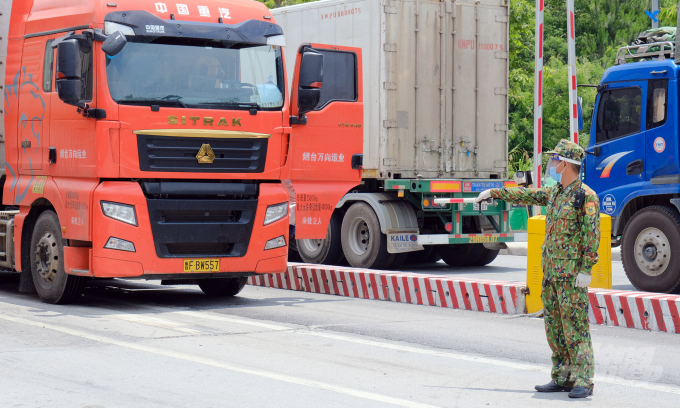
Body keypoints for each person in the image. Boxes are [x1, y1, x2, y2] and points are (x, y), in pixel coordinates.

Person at [476, 139, 599, 399]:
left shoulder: (586, 197)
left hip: (571, 278)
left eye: (555, 159)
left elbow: (592, 237)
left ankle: (584, 380)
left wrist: (586, 269)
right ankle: (562, 377)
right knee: (554, 328)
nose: (552, 163)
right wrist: (495, 193)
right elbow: (528, 194)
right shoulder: (556, 192)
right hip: (551, 275)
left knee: (575, 328)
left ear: (565, 164)